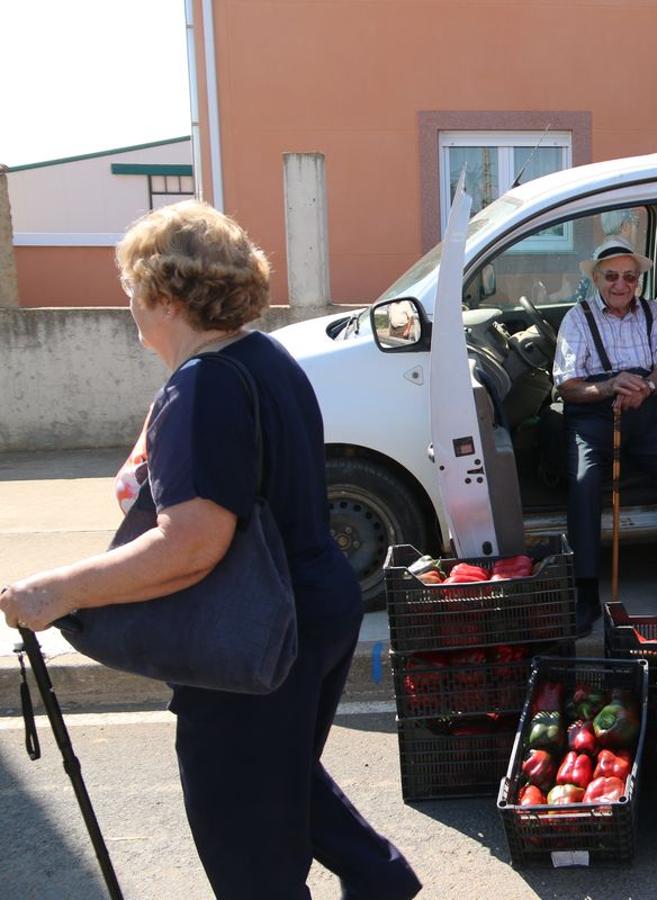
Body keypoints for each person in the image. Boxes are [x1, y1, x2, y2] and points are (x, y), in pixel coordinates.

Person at [0, 201, 421, 900]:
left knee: (247, 838)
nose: (129, 306)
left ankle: (376, 880)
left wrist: (58, 591)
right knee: (276, 774)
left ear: (162, 295)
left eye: (131, 289)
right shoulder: (265, 357)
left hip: (257, 632)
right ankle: (380, 879)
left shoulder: (205, 385)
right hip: (310, 607)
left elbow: (193, 543)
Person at [552, 236, 657, 632]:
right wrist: (611, 388)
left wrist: (646, 390)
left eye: (629, 276)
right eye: (611, 276)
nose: (620, 284)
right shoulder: (577, 318)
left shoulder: (653, 313)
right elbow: (567, 386)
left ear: (638, 280)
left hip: (644, 412)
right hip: (592, 418)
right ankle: (586, 595)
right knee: (584, 482)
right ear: (597, 278)